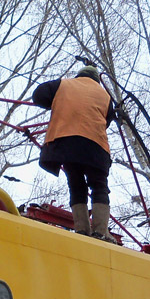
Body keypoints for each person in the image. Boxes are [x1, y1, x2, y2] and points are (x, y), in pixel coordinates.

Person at [32, 65, 115, 240]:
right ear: (96, 80)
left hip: (66, 144)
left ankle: (82, 230)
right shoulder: (105, 97)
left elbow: (38, 95)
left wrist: (58, 105)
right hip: (96, 146)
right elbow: (107, 120)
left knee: (76, 185)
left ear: (79, 76)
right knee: (99, 186)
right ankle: (100, 232)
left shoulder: (63, 85)